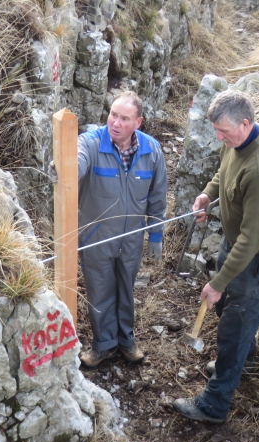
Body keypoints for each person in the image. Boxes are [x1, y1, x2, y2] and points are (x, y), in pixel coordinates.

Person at [173, 90, 259, 423]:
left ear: (246, 122)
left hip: (256, 257)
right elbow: (225, 172)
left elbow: (253, 240)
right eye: (216, 131)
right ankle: (246, 359)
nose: (218, 138)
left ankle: (214, 405)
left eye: (223, 132)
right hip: (236, 241)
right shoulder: (238, 142)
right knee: (230, 309)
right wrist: (208, 194)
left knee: (234, 325)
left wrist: (218, 282)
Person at [77, 91, 167, 367]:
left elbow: (158, 195)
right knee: (100, 288)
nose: (115, 122)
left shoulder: (151, 151)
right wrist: (65, 169)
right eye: (113, 114)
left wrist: (155, 233)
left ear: (138, 122)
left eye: (124, 118)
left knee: (126, 288)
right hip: (96, 237)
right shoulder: (91, 143)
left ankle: (126, 341)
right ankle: (104, 345)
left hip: (131, 239)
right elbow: (76, 161)